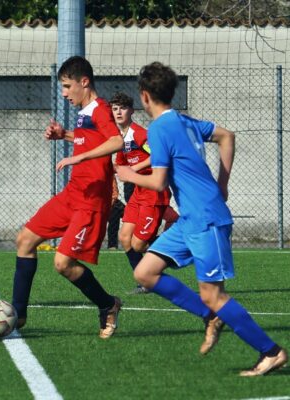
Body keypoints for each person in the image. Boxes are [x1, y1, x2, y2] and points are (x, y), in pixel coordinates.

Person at [116, 62, 287, 376]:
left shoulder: (159, 127)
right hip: (190, 219)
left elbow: (158, 182)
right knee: (145, 272)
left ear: (144, 96)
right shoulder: (184, 121)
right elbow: (226, 136)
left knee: (214, 294)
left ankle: (271, 352)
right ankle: (210, 317)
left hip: (206, 219)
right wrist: (223, 183)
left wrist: (127, 174)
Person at [12, 56, 124, 339]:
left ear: (84, 82)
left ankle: (108, 304)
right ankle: (17, 314)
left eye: (66, 86)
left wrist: (82, 156)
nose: (64, 93)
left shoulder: (100, 109)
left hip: (90, 201)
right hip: (72, 194)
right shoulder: (85, 111)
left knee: (63, 264)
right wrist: (65, 135)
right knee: (25, 240)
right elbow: (91, 138)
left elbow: (116, 141)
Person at [110, 92, 178, 294]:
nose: (118, 112)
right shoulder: (119, 138)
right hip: (138, 193)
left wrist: (134, 169)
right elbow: (120, 164)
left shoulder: (139, 134)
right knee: (124, 238)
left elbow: (159, 154)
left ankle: (173, 252)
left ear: (131, 111)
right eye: (115, 109)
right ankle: (145, 282)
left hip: (153, 192)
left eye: (122, 108)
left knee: (138, 244)